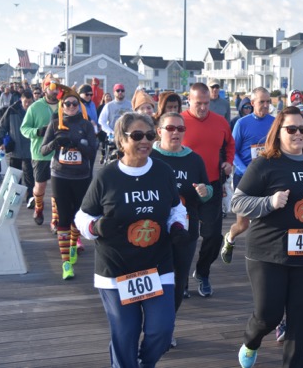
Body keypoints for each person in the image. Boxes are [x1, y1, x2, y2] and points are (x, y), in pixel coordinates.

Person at [74, 112, 188, 368]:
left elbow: (176, 208)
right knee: (125, 334)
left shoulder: (163, 171)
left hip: (156, 265)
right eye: (137, 135)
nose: (144, 140)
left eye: (149, 135)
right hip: (116, 268)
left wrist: (178, 226)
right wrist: (95, 226)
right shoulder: (106, 176)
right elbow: (82, 216)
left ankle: (144, 363)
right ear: (121, 140)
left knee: (162, 330)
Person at [232, 106, 303, 368]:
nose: (298, 134)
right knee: (268, 316)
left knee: (299, 320)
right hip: (269, 253)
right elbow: (237, 202)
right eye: (291, 129)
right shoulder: (265, 163)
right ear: (278, 132)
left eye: (302, 129)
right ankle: (251, 341)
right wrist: (269, 202)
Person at [151, 112, 212, 348]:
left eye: (180, 128)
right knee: (152, 278)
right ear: (159, 131)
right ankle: (150, 325)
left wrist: (205, 192)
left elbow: (207, 190)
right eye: (170, 128)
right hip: (152, 231)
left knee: (177, 280)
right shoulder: (150, 156)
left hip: (185, 229)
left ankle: (168, 326)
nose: (176, 132)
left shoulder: (194, 160)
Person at [182, 82, 234, 297]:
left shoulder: (220, 122)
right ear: (189, 101)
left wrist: (228, 162)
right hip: (184, 189)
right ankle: (181, 279)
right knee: (185, 236)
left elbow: (230, 145)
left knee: (213, 236)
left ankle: (203, 272)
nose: (203, 107)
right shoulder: (179, 122)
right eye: (198, 103)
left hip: (212, 184)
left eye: (206, 103)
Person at [40, 85, 96, 280]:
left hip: (81, 176)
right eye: (67, 104)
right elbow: (43, 150)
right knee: (63, 218)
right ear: (61, 106)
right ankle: (66, 263)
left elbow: (92, 153)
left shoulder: (86, 125)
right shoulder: (55, 124)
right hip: (60, 175)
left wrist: (78, 144)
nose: (71, 107)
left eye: (74, 103)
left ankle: (73, 246)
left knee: (77, 216)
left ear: (79, 105)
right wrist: (56, 143)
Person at [221, 88, 274, 264]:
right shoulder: (242, 123)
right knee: (243, 224)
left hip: (266, 178)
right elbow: (232, 152)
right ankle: (230, 237)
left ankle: (259, 258)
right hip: (244, 177)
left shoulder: (274, 122)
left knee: (264, 220)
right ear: (252, 103)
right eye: (262, 102)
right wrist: (247, 170)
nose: (265, 105)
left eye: (268, 101)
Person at [20, 74, 61, 226]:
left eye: (57, 87)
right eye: (51, 86)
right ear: (44, 89)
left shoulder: (65, 105)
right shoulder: (35, 107)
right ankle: (38, 207)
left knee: (58, 188)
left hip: (60, 152)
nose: (55, 90)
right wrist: (37, 132)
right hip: (40, 153)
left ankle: (55, 219)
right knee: (40, 185)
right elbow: (24, 129)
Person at [0, 90, 34, 204]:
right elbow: (2, 126)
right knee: (15, 175)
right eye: (25, 101)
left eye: (29, 102)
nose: (27, 104)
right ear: (21, 100)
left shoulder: (34, 111)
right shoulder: (12, 110)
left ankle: (30, 198)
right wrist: (0, 141)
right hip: (15, 147)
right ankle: (15, 198)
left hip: (29, 149)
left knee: (29, 176)